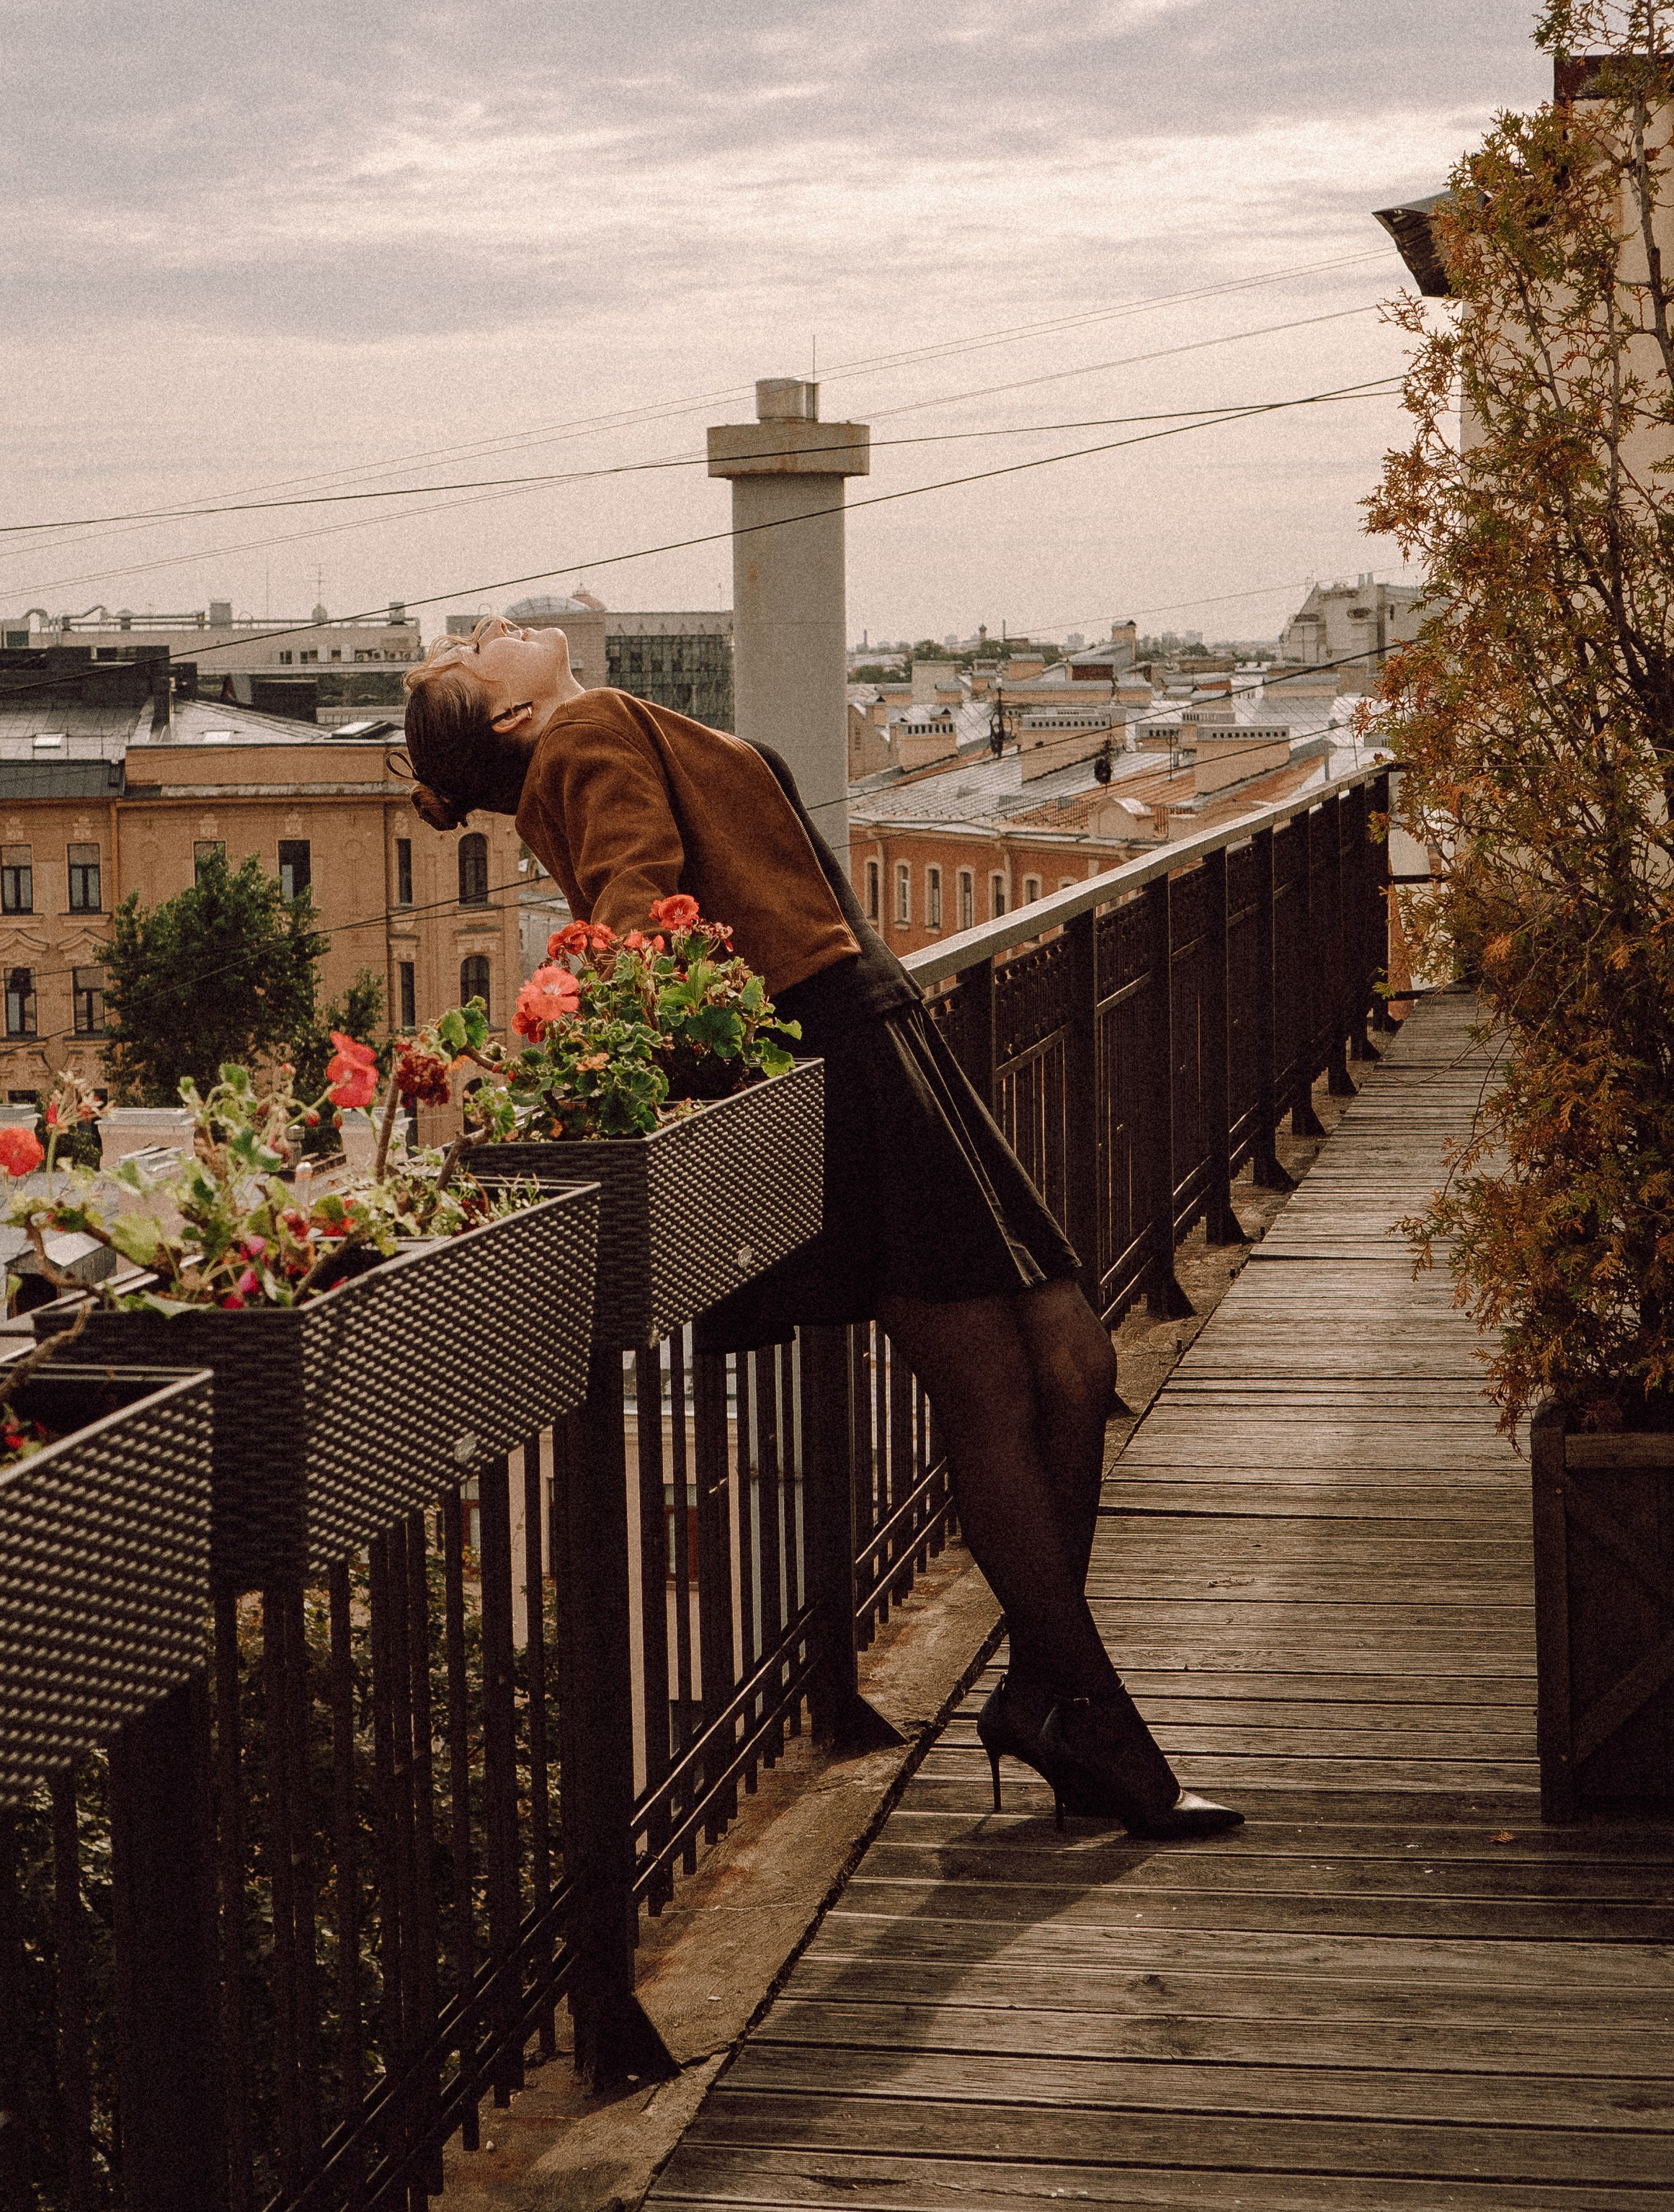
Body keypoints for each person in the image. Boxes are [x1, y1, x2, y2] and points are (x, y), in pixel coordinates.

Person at [403, 617, 1239, 1839]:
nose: (495, 629)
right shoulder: (584, 732)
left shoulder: (593, 725)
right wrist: (626, 1040)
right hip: (838, 1046)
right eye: (478, 655)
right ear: (516, 719)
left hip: (872, 1030)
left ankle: (1050, 1693)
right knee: (1010, 1383)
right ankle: (1091, 1717)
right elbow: (637, 923)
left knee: (1069, 1363)